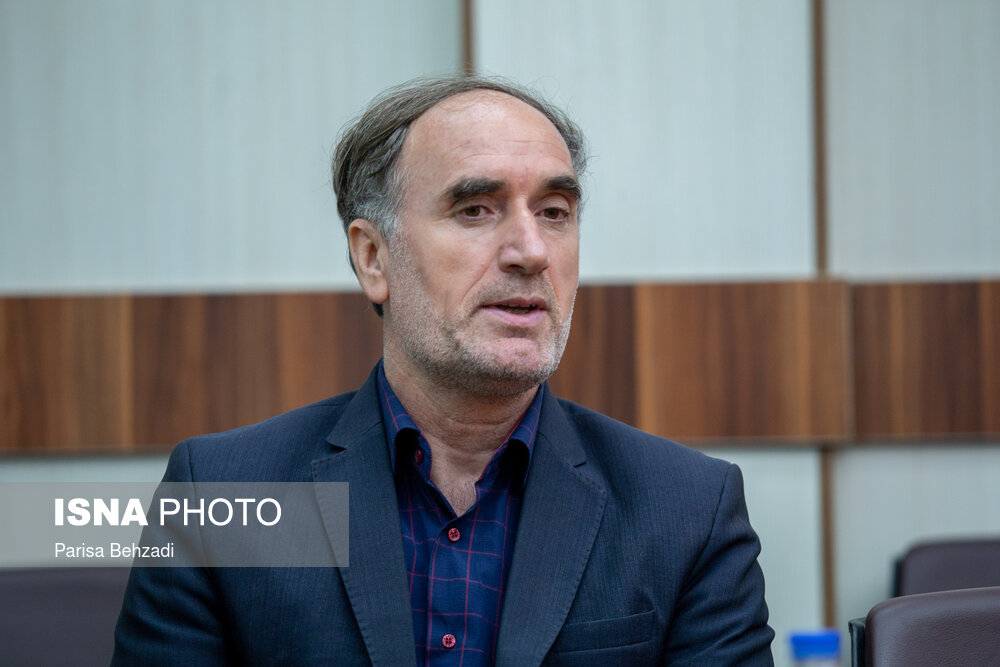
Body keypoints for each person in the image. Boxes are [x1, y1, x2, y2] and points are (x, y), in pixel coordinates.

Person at [113, 75, 774, 666]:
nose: (532, 252)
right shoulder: (220, 495)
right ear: (373, 258)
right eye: (475, 209)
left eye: (554, 212)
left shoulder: (688, 511)